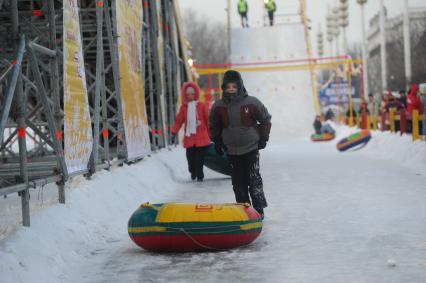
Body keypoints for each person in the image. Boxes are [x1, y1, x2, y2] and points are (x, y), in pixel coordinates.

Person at [209, 70, 271, 218]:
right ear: (224, 88)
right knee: (238, 182)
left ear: (240, 86)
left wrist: (263, 138)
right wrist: (217, 141)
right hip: (231, 150)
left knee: (253, 178)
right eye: (228, 87)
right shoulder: (218, 106)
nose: (231, 89)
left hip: (251, 147)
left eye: (234, 86)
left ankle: (259, 210)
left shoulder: (251, 102)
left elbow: (265, 119)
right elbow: (213, 124)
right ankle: (244, 210)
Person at [171, 82, 211, 182]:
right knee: (190, 158)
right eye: (188, 94)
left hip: (201, 137)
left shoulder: (202, 106)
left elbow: (208, 120)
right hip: (189, 138)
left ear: (196, 94)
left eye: (192, 94)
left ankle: (199, 175)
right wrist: (174, 132)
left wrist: (212, 133)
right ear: (185, 95)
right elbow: (179, 121)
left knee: (199, 159)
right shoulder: (184, 108)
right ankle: (192, 171)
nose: (190, 96)